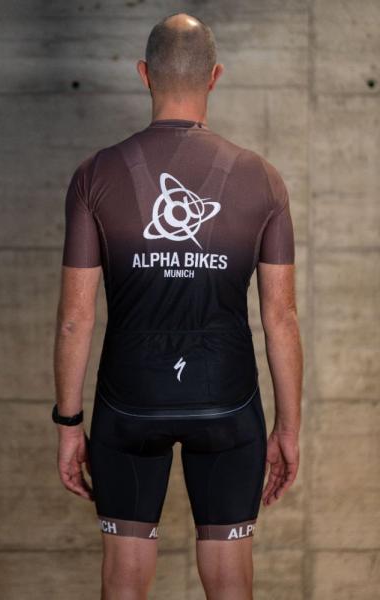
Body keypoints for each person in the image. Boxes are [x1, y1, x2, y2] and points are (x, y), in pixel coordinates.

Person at [53, 11, 303, 600]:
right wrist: (289, 428)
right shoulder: (263, 179)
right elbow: (281, 318)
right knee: (231, 583)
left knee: (124, 581)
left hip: (128, 400)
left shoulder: (94, 176)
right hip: (229, 401)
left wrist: (69, 424)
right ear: (215, 76)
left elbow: (74, 318)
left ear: (144, 74)